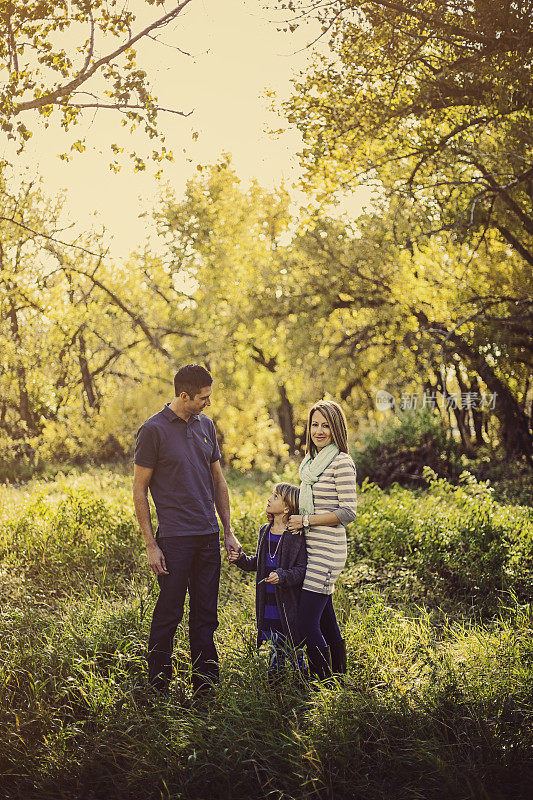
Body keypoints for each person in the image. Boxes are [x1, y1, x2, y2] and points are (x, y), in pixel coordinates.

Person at [133, 364, 241, 698]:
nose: (208, 403)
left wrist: (228, 531)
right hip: (175, 540)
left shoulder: (206, 425)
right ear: (184, 395)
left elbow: (218, 480)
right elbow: (139, 490)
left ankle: (206, 690)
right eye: (203, 398)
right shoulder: (152, 430)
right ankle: (158, 689)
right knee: (169, 613)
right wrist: (151, 545)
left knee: (206, 616)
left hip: (207, 537)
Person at [287, 400, 357, 680]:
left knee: (305, 623)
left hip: (328, 552)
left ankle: (322, 682)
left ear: (336, 428)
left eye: (326, 425)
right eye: (315, 424)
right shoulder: (309, 464)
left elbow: (348, 511)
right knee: (326, 618)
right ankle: (340, 677)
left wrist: (306, 521)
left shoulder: (341, 462)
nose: (319, 430)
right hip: (311, 549)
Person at [229, 483, 307, 682]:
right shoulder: (265, 530)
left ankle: (303, 682)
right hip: (268, 602)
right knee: (275, 643)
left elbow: (301, 570)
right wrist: (240, 560)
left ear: (287, 508)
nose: (269, 499)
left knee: (293, 646)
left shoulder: (296, 535)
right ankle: (276, 684)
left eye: (275, 496)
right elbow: (260, 563)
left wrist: (282, 576)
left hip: (287, 602)